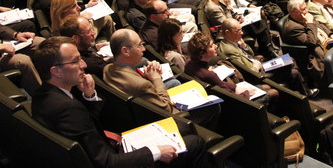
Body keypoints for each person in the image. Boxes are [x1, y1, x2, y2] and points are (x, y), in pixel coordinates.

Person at [32, 37, 209, 168]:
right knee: (195, 141)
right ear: (56, 71)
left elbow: (83, 127)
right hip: (113, 159)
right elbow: (106, 163)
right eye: (76, 60)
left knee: (184, 128)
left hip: (103, 150)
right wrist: (156, 152)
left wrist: (89, 96)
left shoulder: (41, 96)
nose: (84, 64)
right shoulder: (67, 108)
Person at [218, 18, 317, 97]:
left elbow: (250, 54)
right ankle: (303, 92)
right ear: (227, 32)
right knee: (292, 71)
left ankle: (300, 91)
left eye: (241, 29)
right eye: (238, 30)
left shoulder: (232, 41)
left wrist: (244, 46)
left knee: (290, 61)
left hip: (259, 65)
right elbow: (246, 71)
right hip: (258, 74)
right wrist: (256, 66)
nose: (242, 33)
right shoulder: (229, 50)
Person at [185, 32, 278, 108]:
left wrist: (234, 87)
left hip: (226, 92)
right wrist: (246, 92)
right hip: (235, 105)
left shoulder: (189, 63)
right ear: (202, 53)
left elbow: (221, 85)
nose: (216, 46)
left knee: (266, 86)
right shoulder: (210, 75)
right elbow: (232, 99)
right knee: (274, 92)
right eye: (211, 46)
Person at [285, 0, 328, 90]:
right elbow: (311, 42)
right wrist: (309, 23)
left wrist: (331, 34)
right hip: (311, 53)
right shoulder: (293, 28)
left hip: (326, 41)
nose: (307, 10)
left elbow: (320, 26)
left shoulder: (304, 16)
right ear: (294, 12)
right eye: (303, 9)